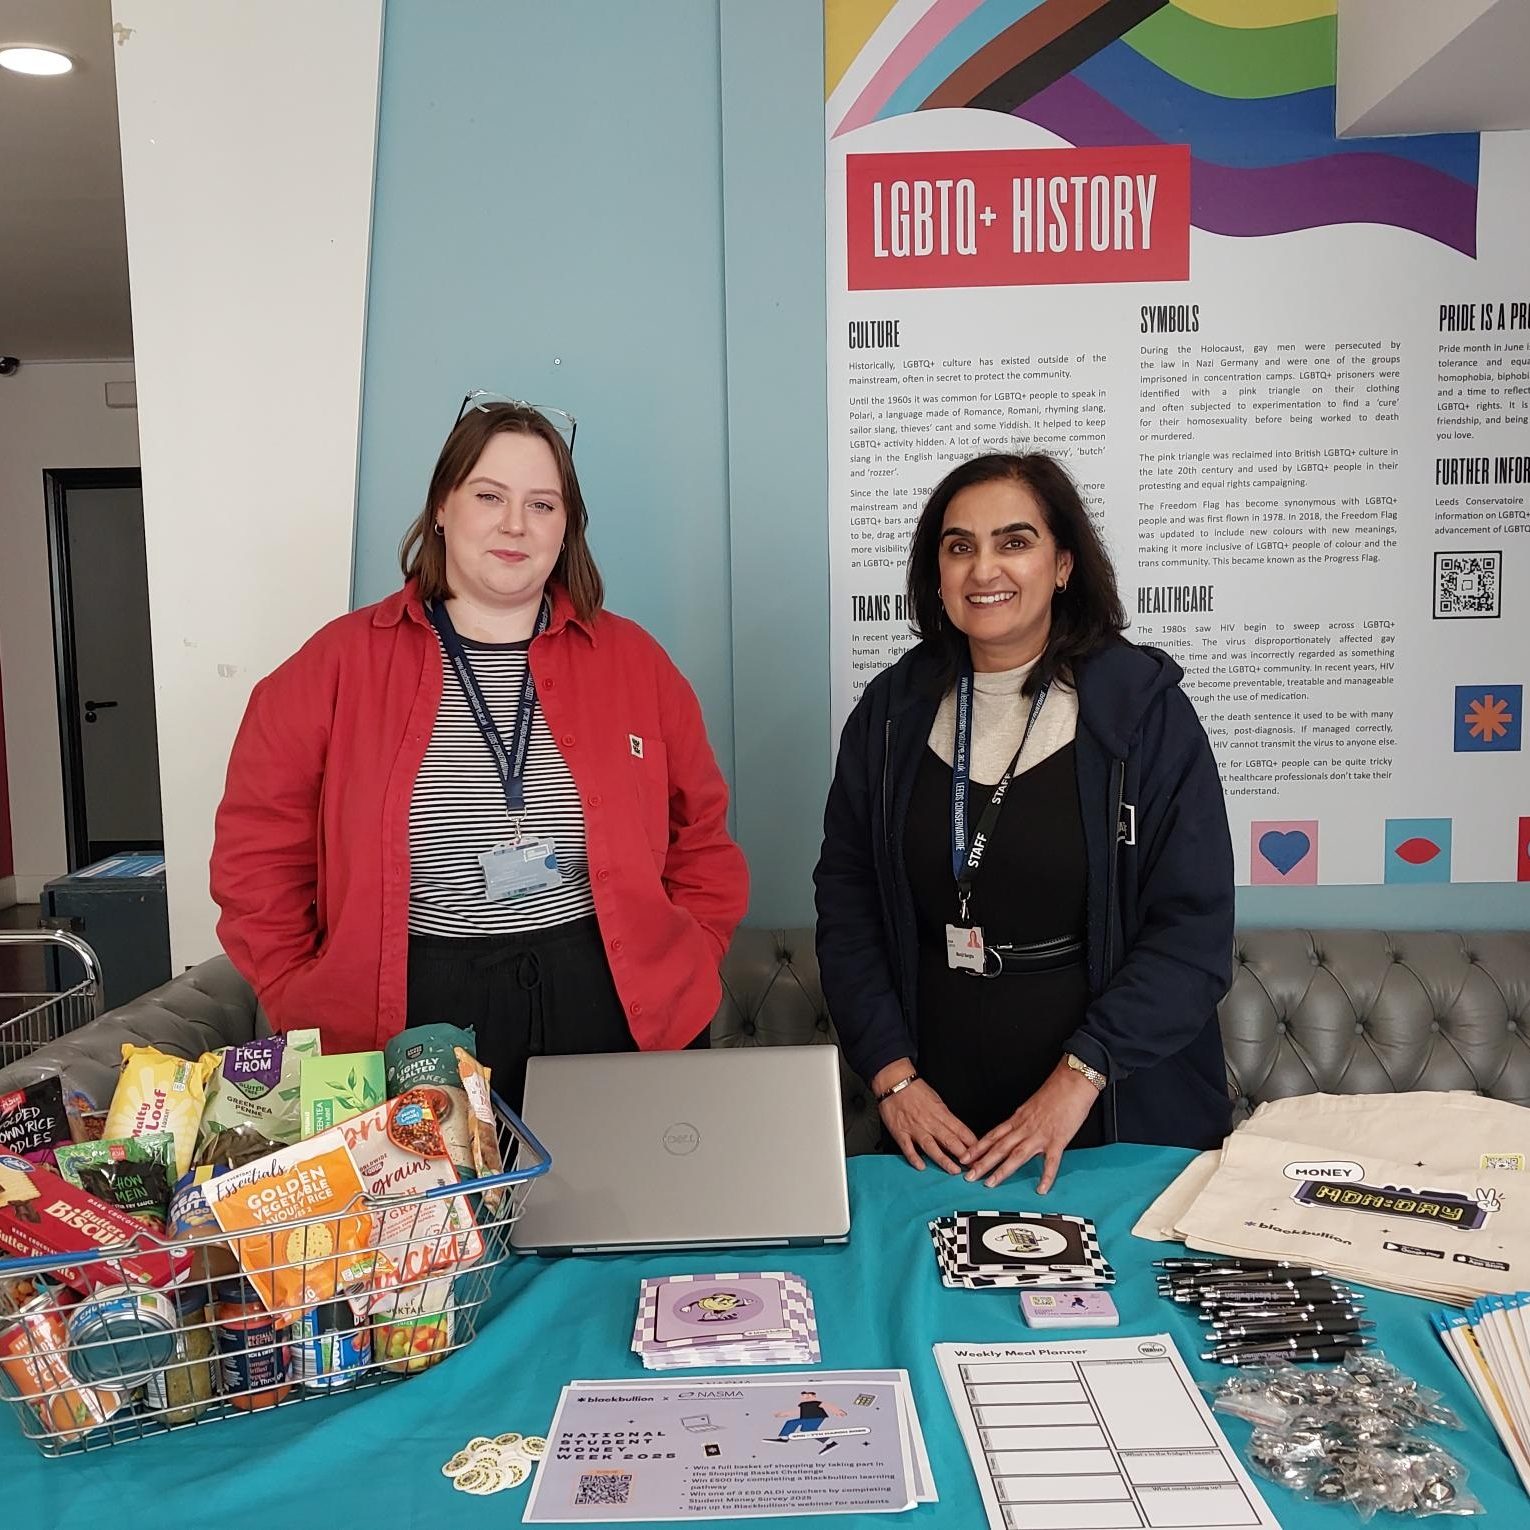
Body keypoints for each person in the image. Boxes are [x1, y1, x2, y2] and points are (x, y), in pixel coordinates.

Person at [212, 395, 748, 1106]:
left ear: (568, 527)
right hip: (414, 1009)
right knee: (443, 1220)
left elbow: (702, 831)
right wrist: (294, 987)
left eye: (543, 505)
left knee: (622, 1215)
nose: (515, 525)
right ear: (442, 506)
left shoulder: (635, 661)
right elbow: (255, 852)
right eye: (489, 495)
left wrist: (696, 950)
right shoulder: (333, 668)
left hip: (613, 997)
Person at [815, 452, 1233, 1191]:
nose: (984, 570)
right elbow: (847, 912)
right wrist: (893, 1079)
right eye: (959, 546)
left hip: (1108, 1108)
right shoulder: (888, 716)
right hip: (936, 1113)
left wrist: (1078, 1080)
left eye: (1014, 541)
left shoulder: (1144, 713)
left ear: (1064, 564)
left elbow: (1192, 937)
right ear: (935, 572)